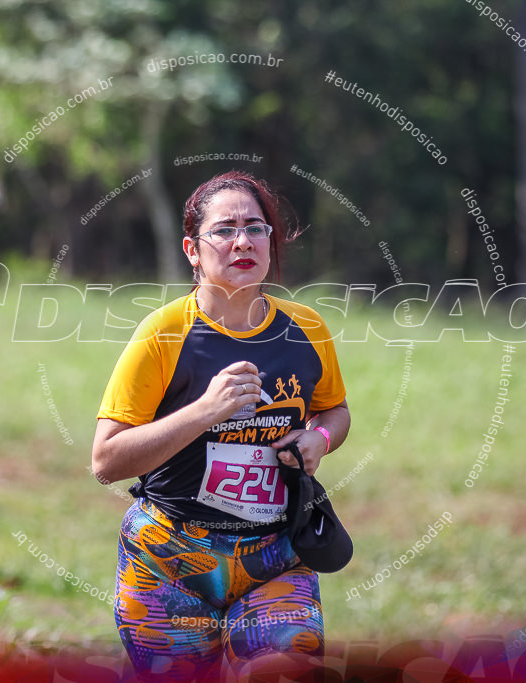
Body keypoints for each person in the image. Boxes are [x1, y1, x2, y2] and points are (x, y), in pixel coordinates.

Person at [92, 171, 351, 680]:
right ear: (192, 248)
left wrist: (318, 439)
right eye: (225, 229)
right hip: (169, 559)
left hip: (275, 554)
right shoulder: (163, 334)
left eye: (256, 228)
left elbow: (335, 411)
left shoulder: (307, 329)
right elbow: (106, 461)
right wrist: (205, 410)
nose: (243, 242)